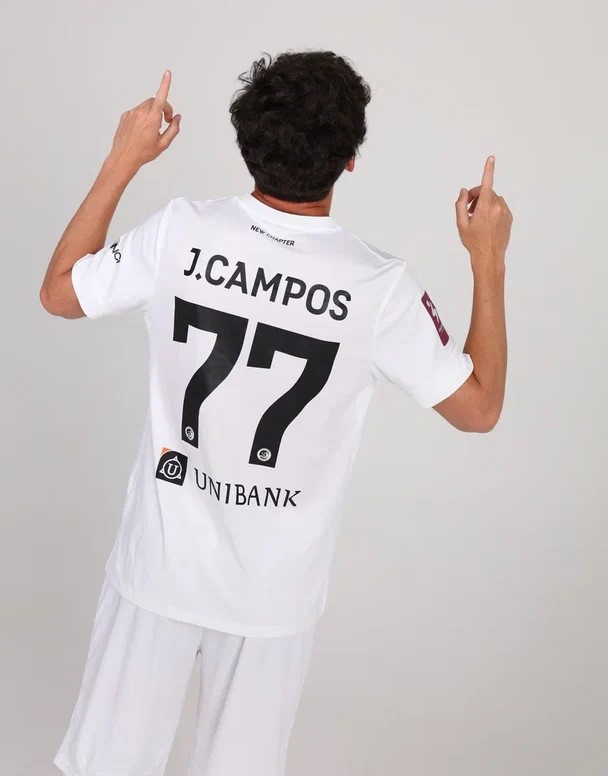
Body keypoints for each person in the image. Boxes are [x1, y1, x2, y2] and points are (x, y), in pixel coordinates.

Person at [40, 51, 511, 776]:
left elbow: (61, 292)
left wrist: (123, 159)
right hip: (273, 594)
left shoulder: (179, 232)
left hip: (158, 568)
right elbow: (478, 409)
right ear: (350, 159)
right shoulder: (377, 286)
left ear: (246, 143)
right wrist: (487, 258)